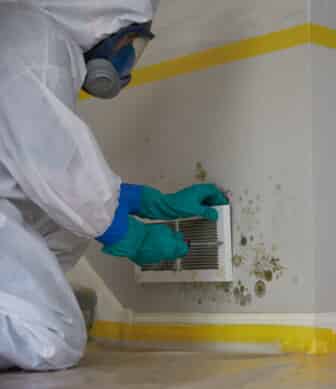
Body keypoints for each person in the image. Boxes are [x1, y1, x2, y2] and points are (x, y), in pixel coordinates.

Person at [0, 1, 227, 371]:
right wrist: (129, 234)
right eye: (134, 45)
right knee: (54, 337)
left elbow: (40, 165)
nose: (129, 65)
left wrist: (144, 202)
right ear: (104, 20)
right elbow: (50, 161)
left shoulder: (33, 32)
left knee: (70, 229)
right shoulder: (37, 43)